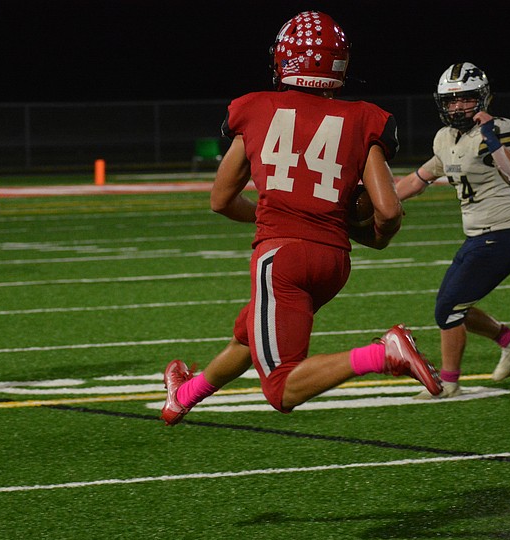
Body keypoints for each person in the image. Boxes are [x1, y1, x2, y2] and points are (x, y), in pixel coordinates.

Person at [159, 10, 441, 425]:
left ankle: (382, 353)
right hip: (333, 262)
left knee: (281, 388)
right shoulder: (364, 118)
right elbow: (389, 210)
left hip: (282, 257)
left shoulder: (255, 107)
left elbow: (220, 199)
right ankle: (184, 395)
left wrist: (275, 218)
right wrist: (374, 238)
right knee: (250, 333)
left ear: (283, 60)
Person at [396, 63, 510, 399]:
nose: (458, 107)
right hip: (477, 236)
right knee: (453, 305)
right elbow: (419, 179)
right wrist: (379, 201)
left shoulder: (501, 128)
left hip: (506, 234)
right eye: (451, 100)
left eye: (466, 99)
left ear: (483, 99)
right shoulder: (445, 137)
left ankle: (447, 383)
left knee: (449, 309)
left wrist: (491, 138)